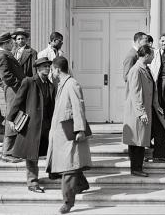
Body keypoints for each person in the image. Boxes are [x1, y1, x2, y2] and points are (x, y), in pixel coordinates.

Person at [45, 56, 92, 214]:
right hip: (62, 134)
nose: (51, 72)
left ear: (57, 69)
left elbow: (79, 108)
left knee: (68, 168)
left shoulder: (72, 84)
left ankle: (68, 202)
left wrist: (80, 130)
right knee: (71, 163)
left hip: (70, 133)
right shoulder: (62, 84)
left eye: (52, 69)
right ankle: (82, 183)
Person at [7, 57, 55, 193]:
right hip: (32, 125)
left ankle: (53, 173)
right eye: (45, 66)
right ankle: (32, 183)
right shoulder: (29, 81)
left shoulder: (50, 84)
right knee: (31, 155)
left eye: (48, 66)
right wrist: (11, 118)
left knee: (48, 152)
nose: (47, 68)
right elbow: (18, 100)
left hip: (46, 125)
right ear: (38, 68)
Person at [123, 45, 165, 175]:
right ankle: (136, 169)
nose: (154, 57)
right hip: (137, 113)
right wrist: (141, 112)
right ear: (147, 55)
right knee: (138, 141)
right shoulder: (136, 70)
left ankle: (137, 168)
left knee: (140, 140)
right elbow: (136, 93)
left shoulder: (145, 69)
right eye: (153, 55)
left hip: (145, 110)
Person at [0, 32, 25, 163]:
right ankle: (7, 152)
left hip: (13, 90)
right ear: (6, 43)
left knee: (14, 117)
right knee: (11, 118)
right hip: (14, 91)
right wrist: (19, 87)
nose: (13, 44)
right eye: (10, 42)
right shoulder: (3, 55)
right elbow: (5, 76)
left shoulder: (6, 54)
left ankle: (9, 151)